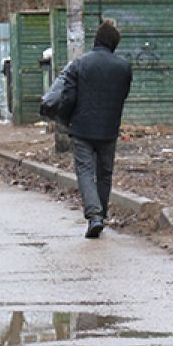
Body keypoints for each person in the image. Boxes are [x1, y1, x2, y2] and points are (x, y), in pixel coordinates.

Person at [58, 21, 133, 238]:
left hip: (82, 128)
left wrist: (64, 119)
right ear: (114, 44)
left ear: (96, 40)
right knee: (105, 173)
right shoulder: (123, 67)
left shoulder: (79, 64)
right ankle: (102, 213)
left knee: (84, 171)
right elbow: (122, 95)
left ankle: (95, 216)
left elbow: (68, 96)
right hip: (109, 129)